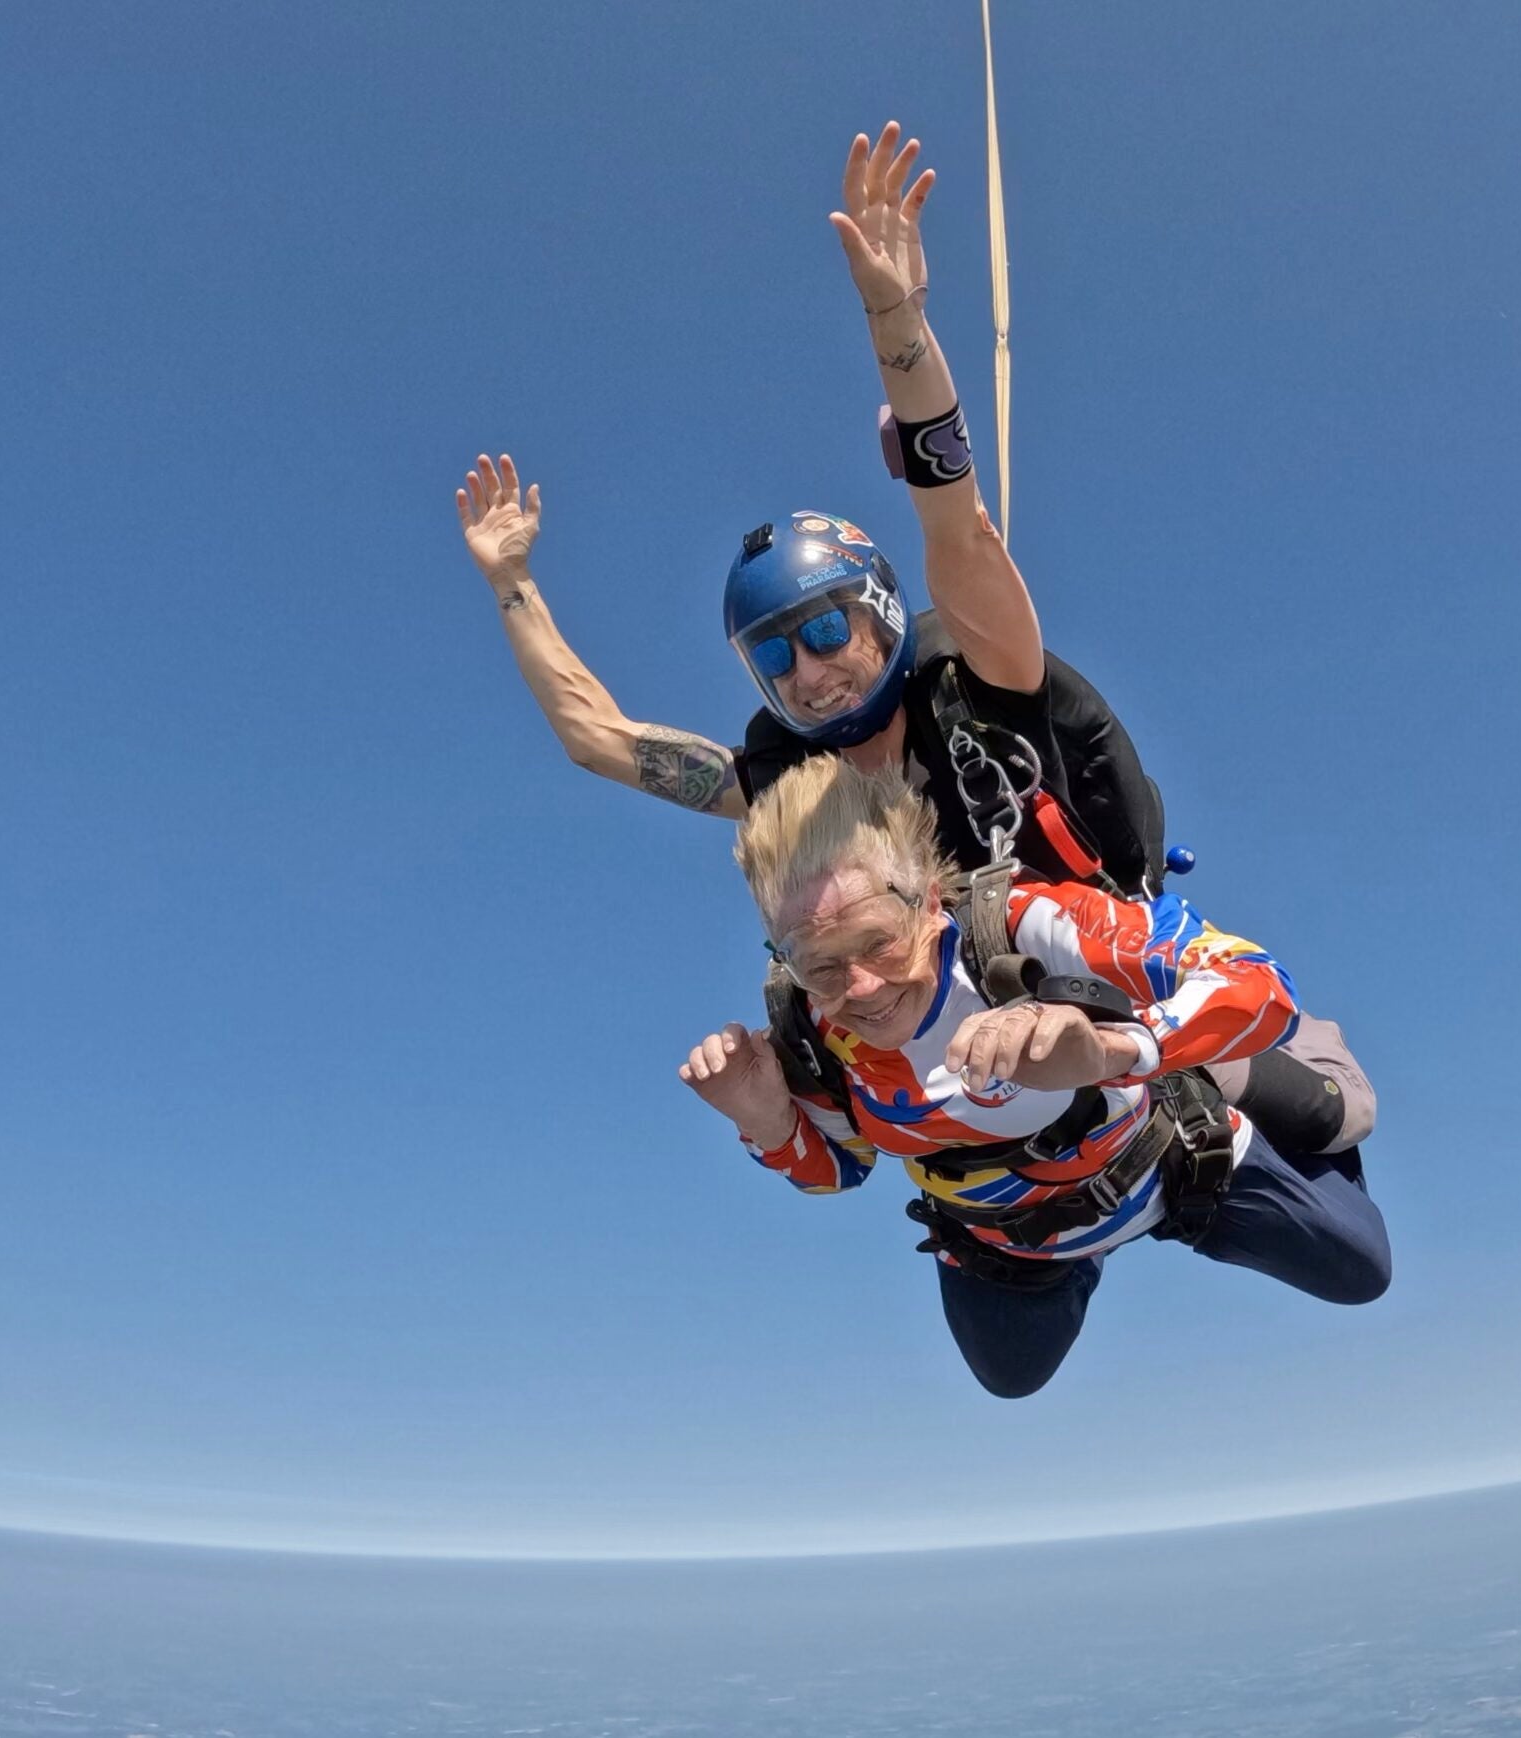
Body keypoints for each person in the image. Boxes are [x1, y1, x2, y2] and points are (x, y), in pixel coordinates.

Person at [455, 123, 1379, 1168]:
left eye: (823, 628)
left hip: (1103, 961)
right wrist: (511, 581)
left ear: (882, 612)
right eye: (776, 658)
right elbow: (598, 739)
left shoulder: (982, 686)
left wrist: (896, 319)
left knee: (1328, 1126)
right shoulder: (788, 782)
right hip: (954, 1013)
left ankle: (1232, 1068)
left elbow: (959, 526)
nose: (809, 670)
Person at [678, 756, 1391, 1398]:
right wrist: (763, 1115)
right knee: (1010, 1376)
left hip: (1170, 1161)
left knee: (1361, 1266)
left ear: (929, 901)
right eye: (821, 965)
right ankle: (1099, 1221)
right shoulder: (811, 1030)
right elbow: (841, 1169)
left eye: (879, 942)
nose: (862, 987)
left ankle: (1226, 1067)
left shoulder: (1024, 929)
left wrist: (1123, 1047)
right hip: (1011, 1240)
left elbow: (1257, 981)